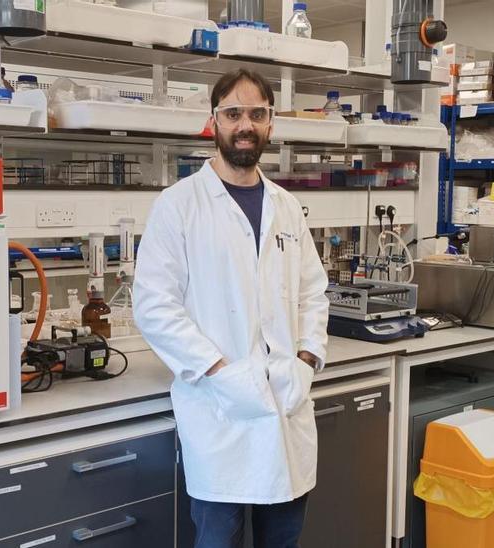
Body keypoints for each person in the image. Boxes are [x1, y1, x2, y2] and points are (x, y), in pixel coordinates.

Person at [133, 68, 330, 548]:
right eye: (233, 113)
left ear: (271, 124)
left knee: (282, 540)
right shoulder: (178, 205)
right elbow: (154, 305)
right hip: (218, 409)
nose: (246, 124)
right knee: (218, 539)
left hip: (287, 402)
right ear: (214, 122)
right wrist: (220, 371)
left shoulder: (286, 207)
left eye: (257, 114)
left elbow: (313, 292)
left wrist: (305, 360)